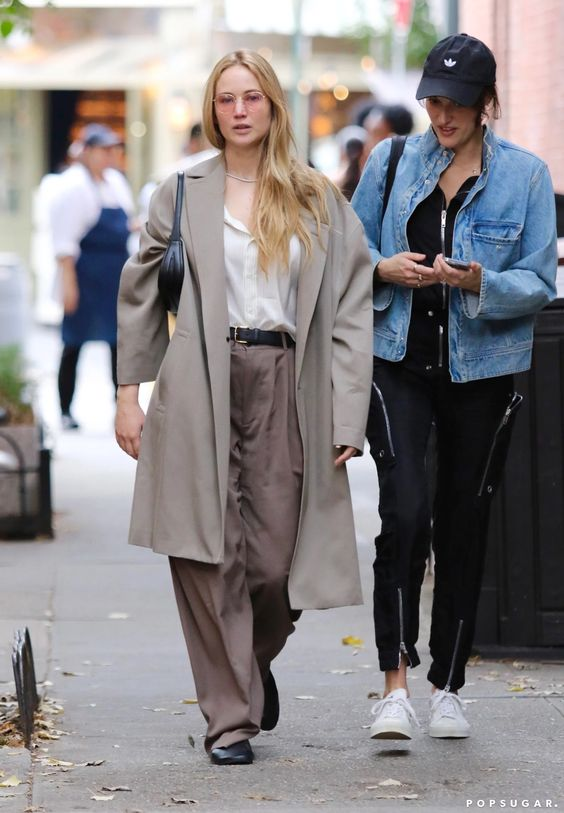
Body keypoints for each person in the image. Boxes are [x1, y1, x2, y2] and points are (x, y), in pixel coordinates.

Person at [115, 49, 373, 766]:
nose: (238, 110)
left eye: (251, 97)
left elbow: (352, 310)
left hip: (287, 379)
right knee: (206, 549)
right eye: (226, 98)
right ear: (212, 108)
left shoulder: (316, 197)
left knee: (275, 561)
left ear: (273, 106)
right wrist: (128, 395)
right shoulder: (181, 191)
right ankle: (229, 718)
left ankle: (248, 665)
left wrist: (347, 414)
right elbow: (140, 294)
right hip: (199, 375)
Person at [352, 33, 557, 741]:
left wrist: (480, 283)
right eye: (433, 101)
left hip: (482, 371)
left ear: (486, 102)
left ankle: (447, 685)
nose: (441, 115)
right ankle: (394, 686)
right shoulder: (390, 162)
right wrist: (383, 269)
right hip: (396, 361)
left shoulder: (525, 177)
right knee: (405, 514)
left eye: (456, 103)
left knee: (464, 524)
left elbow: (539, 280)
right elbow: (349, 250)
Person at [50, 123, 135, 430]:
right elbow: (64, 244)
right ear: (87, 151)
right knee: (73, 343)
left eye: (113, 149)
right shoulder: (73, 187)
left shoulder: (116, 183)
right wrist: (68, 285)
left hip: (115, 275)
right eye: (103, 149)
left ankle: (121, 407)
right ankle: (65, 409)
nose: (110, 155)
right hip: (84, 275)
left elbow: (124, 224)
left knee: (118, 344)